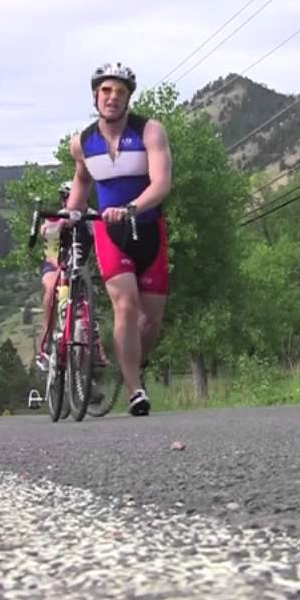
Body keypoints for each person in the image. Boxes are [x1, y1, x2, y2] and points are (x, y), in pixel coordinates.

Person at [64, 62, 172, 416]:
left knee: (151, 321)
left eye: (120, 92)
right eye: (106, 91)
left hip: (148, 228)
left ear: (128, 98)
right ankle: (134, 389)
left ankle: (133, 362)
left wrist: (131, 208)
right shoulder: (82, 142)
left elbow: (161, 183)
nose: (112, 98)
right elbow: (82, 181)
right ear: (96, 96)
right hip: (109, 233)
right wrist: (68, 215)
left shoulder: (149, 131)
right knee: (126, 306)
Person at [35, 180, 107, 374]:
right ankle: (44, 346)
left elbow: (104, 240)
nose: (72, 201)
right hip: (56, 264)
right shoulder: (59, 216)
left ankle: (93, 349)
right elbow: (48, 238)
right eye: (67, 197)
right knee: (51, 288)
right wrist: (57, 225)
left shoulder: (92, 216)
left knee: (90, 303)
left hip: (80, 268)